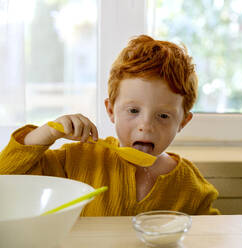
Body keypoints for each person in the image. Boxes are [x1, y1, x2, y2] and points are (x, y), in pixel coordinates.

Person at [0, 35, 220, 216]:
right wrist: (47, 133)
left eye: (163, 116)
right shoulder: (78, 160)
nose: (145, 126)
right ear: (111, 110)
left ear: (183, 121)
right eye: (133, 111)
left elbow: (210, 233)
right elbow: (5, 178)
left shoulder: (189, 185)